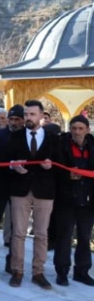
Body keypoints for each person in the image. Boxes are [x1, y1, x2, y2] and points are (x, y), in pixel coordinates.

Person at [7, 100, 61, 290]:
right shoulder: (15, 137)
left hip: (44, 191)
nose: (28, 118)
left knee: (41, 234)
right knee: (18, 233)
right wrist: (14, 165)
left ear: (41, 116)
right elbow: (7, 160)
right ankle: (17, 271)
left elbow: (60, 164)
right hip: (20, 190)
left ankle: (38, 272)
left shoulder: (54, 138)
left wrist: (51, 165)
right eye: (26, 114)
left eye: (32, 114)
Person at [53, 115, 94, 287]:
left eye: (80, 128)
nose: (76, 132)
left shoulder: (93, 146)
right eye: (74, 128)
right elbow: (54, 169)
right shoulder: (61, 144)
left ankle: (82, 271)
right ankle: (62, 272)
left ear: (87, 130)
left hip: (88, 199)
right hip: (66, 198)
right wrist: (66, 175)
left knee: (85, 237)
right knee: (64, 236)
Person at [0, 105, 25, 273]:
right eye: (11, 119)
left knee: (16, 229)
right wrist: (11, 166)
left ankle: (12, 263)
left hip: (20, 189)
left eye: (17, 120)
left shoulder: (27, 137)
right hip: (0, 186)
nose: (13, 123)